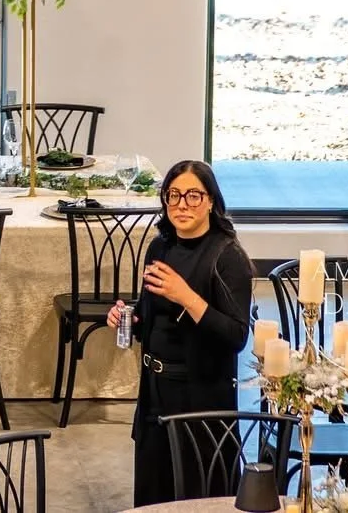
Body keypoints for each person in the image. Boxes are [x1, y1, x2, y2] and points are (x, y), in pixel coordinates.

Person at [110, 159, 255, 505]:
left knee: (196, 496)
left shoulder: (227, 256)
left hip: (200, 396)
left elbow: (236, 336)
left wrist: (185, 296)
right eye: (173, 195)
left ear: (210, 201)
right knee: (152, 492)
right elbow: (155, 314)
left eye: (193, 195)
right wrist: (129, 316)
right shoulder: (159, 247)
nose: (182, 205)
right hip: (155, 390)